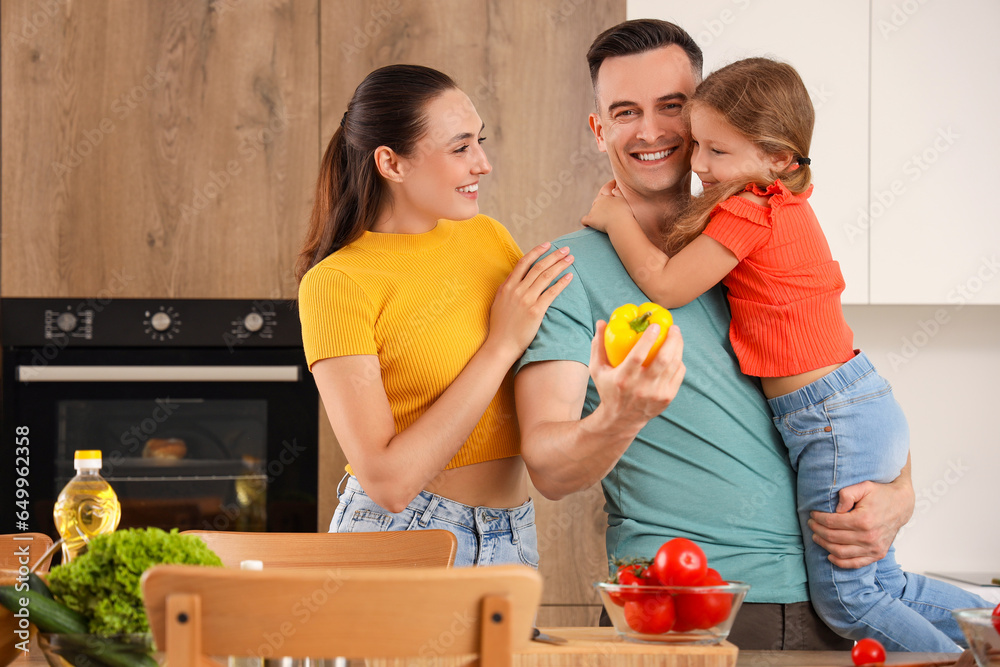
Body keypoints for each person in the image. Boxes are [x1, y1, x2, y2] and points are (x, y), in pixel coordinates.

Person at [514, 19, 914, 649]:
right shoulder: (566, 271)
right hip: (681, 614)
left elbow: (837, 382)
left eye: (671, 107)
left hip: (829, 602)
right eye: (625, 111)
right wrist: (621, 413)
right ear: (600, 130)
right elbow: (548, 466)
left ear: (706, 114)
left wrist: (901, 491)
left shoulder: (754, 235)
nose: (651, 131)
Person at [582, 56, 990, 651]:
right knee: (888, 585)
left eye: (715, 151)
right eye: (697, 146)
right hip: (851, 399)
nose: (698, 164)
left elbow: (666, 286)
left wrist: (617, 217)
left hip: (828, 413)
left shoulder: (752, 207)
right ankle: (991, 631)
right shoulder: (775, 201)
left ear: (777, 157)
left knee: (853, 601)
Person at [295, 64, 582, 567]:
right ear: (392, 163)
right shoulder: (337, 283)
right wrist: (500, 345)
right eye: (460, 147)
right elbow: (388, 483)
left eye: (480, 141)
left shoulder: (487, 236)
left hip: (512, 532)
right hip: (404, 534)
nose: (483, 163)